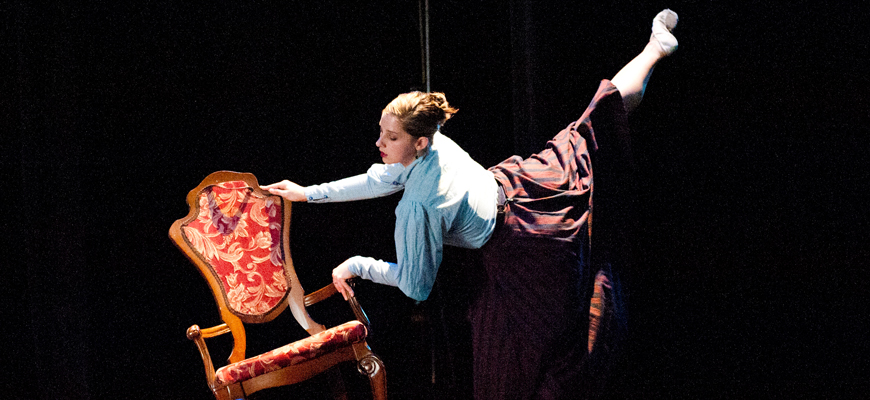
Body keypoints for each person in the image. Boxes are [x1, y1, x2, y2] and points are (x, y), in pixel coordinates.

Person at [262, 9, 679, 399]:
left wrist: (357, 265)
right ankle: (655, 49)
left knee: (532, 358)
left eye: (390, 137)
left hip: (523, 243)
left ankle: (656, 48)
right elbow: (378, 178)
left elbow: (416, 285)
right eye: (381, 132)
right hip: (523, 183)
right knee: (588, 126)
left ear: (419, 142)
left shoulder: (418, 207)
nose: (378, 143)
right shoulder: (431, 138)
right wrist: (308, 192)